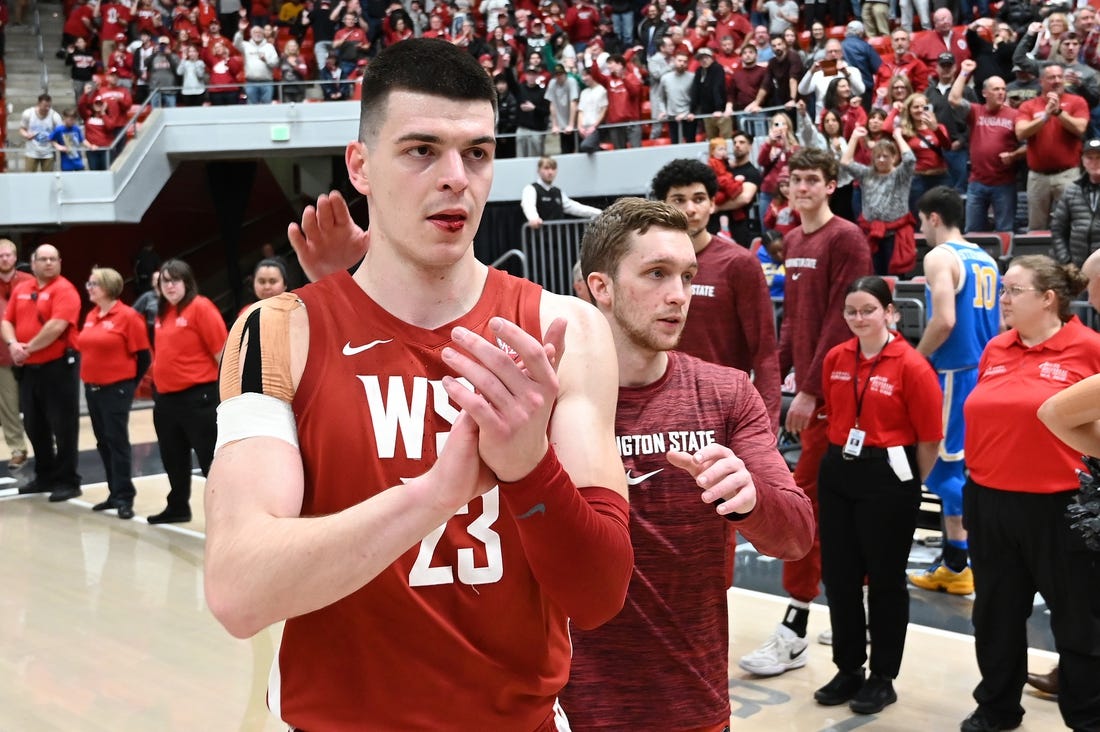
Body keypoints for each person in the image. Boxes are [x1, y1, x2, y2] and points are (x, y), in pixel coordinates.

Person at [205, 38, 633, 729]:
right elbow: (238, 591)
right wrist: (435, 495)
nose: (456, 178)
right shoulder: (277, 331)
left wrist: (529, 468)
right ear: (360, 165)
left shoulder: (565, 330)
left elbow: (600, 595)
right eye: (421, 150)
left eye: (477, 153)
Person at [559, 196, 813, 731]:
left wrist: (751, 499)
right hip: (564, 705)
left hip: (691, 701)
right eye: (657, 273)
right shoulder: (548, 397)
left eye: (687, 276)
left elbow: (795, 537)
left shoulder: (726, 394)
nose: (679, 294)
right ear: (600, 286)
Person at [739, 148, 873, 677]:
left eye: (813, 180)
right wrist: (773, 376)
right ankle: (844, 612)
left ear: (832, 185)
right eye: (795, 180)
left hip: (843, 391)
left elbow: (844, 322)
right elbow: (794, 321)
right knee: (823, 503)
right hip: (815, 389)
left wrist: (811, 390)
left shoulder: (847, 238)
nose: (802, 188)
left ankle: (797, 625)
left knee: (811, 503)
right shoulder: (793, 240)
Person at [959, 255, 1100, 732]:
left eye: (1013, 291)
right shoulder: (996, 348)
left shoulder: (1089, 348)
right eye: (1002, 290)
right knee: (995, 616)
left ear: (1048, 298)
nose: (1002, 299)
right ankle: (997, 708)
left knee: (1079, 621)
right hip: (989, 501)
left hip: (1063, 507)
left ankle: (1087, 718)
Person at [814, 275, 942, 715]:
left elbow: (930, 439)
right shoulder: (836, 357)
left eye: (868, 309)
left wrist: (905, 485)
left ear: (890, 312)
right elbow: (833, 412)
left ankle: (883, 676)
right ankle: (848, 668)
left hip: (890, 474)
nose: (859, 318)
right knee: (840, 577)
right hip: (838, 470)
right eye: (851, 311)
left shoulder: (912, 365)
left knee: (885, 581)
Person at [904, 186, 1001, 597]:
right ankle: (958, 560)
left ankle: (961, 564)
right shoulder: (986, 257)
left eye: (921, 223)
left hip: (954, 374)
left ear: (933, 218)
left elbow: (944, 320)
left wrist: (915, 360)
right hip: (986, 371)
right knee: (964, 468)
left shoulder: (940, 256)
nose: (921, 232)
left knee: (944, 471)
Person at [651, 158, 783, 430]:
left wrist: (765, 426)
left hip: (722, 412)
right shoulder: (648, 265)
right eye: (679, 199)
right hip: (659, 413)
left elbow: (765, 352)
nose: (690, 209)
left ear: (712, 204)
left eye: (699, 199)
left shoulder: (739, 263)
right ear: (663, 205)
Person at [2, 245, 82, 502]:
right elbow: (6, 320)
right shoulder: (22, 289)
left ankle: (68, 480)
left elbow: (56, 327)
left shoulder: (65, 290)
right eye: (43, 259)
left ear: (59, 262)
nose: (49, 263)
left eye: (53, 259)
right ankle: (45, 475)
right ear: (33, 262)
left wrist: (26, 348)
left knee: (63, 425)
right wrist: (13, 344)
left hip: (57, 367)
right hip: (28, 369)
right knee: (34, 424)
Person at [150, 259, 226, 524]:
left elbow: (222, 353)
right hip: (166, 400)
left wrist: (229, 394)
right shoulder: (163, 312)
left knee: (209, 460)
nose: (170, 286)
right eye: (165, 281)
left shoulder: (201, 307)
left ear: (187, 282)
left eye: (175, 280)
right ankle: (178, 506)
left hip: (199, 398)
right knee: (172, 457)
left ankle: (225, 516)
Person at [77, 267, 151, 520]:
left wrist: (128, 384)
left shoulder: (128, 317)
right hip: (93, 389)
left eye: (94, 284)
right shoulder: (92, 315)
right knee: (103, 441)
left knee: (116, 441)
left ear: (108, 287)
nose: (89, 288)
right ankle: (113, 492)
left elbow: (144, 356)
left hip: (116, 389)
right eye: (89, 283)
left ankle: (124, 496)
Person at [948, 59, 1022, 233]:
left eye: (1003, 89)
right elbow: (953, 99)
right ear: (984, 93)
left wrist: (1014, 156)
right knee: (972, 231)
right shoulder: (976, 111)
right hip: (977, 183)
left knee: (1005, 232)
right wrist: (964, 72)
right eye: (996, 89)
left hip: (1004, 183)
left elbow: (1028, 146)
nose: (1001, 93)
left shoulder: (1015, 115)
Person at [1015, 63, 1088, 231]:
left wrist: (1058, 113)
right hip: (1037, 177)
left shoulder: (1077, 101)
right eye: (1051, 77)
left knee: (1073, 226)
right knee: (1036, 227)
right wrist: (1045, 116)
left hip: (1068, 175)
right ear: (1041, 81)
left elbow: (1080, 129)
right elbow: (1021, 133)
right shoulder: (1028, 106)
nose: (1056, 81)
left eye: (1059, 77)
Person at [841, 124, 917, 275]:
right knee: (873, 275)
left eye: (886, 156)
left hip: (894, 235)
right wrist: (854, 137)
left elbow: (910, 160)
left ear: (894, 158)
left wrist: (898, 137)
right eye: (877, 156)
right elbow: (845, 162)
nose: (881, 160)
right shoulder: (865, 174)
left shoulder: (900, 175)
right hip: (871, 233)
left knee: (895, 275)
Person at [0, 240, 31, 471]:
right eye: (0, 255)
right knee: (8, 406)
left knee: (36, 404)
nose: (4, 259)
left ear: (15, 256)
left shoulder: (30, 282)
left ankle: (46, 446)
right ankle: (18, 449)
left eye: (8, 255)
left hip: (31, 353)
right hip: (2, 355)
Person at [1052, 138, 1100, 268]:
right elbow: (1058, 230)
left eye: (1099, 158)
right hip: (1076, 268)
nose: (1095, 162)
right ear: (1083, 161)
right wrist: (1066, 262)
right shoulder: (1071, 191)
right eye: (1090, 158)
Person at [520, 156, 602, 229]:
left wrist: (600, 213)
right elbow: (528, 205)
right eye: (546, 168)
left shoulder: (557, 191)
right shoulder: (531, 188)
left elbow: (574, 207)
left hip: (557, 237)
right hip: (539, 237)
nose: (550, 172)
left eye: (553, 168)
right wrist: (533, 218)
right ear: (538, 170)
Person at [20, 94, 64, 173]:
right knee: (29, 176)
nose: (47, 108)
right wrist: (26, 135)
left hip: (48, 152)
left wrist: (54, 140)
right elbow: (22, 129)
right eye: (45, 106)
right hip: (31, 151)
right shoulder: (28, 113)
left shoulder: (55, 116)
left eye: (49, 106)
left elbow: (60, 132)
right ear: (38, 104)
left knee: (48, 176)